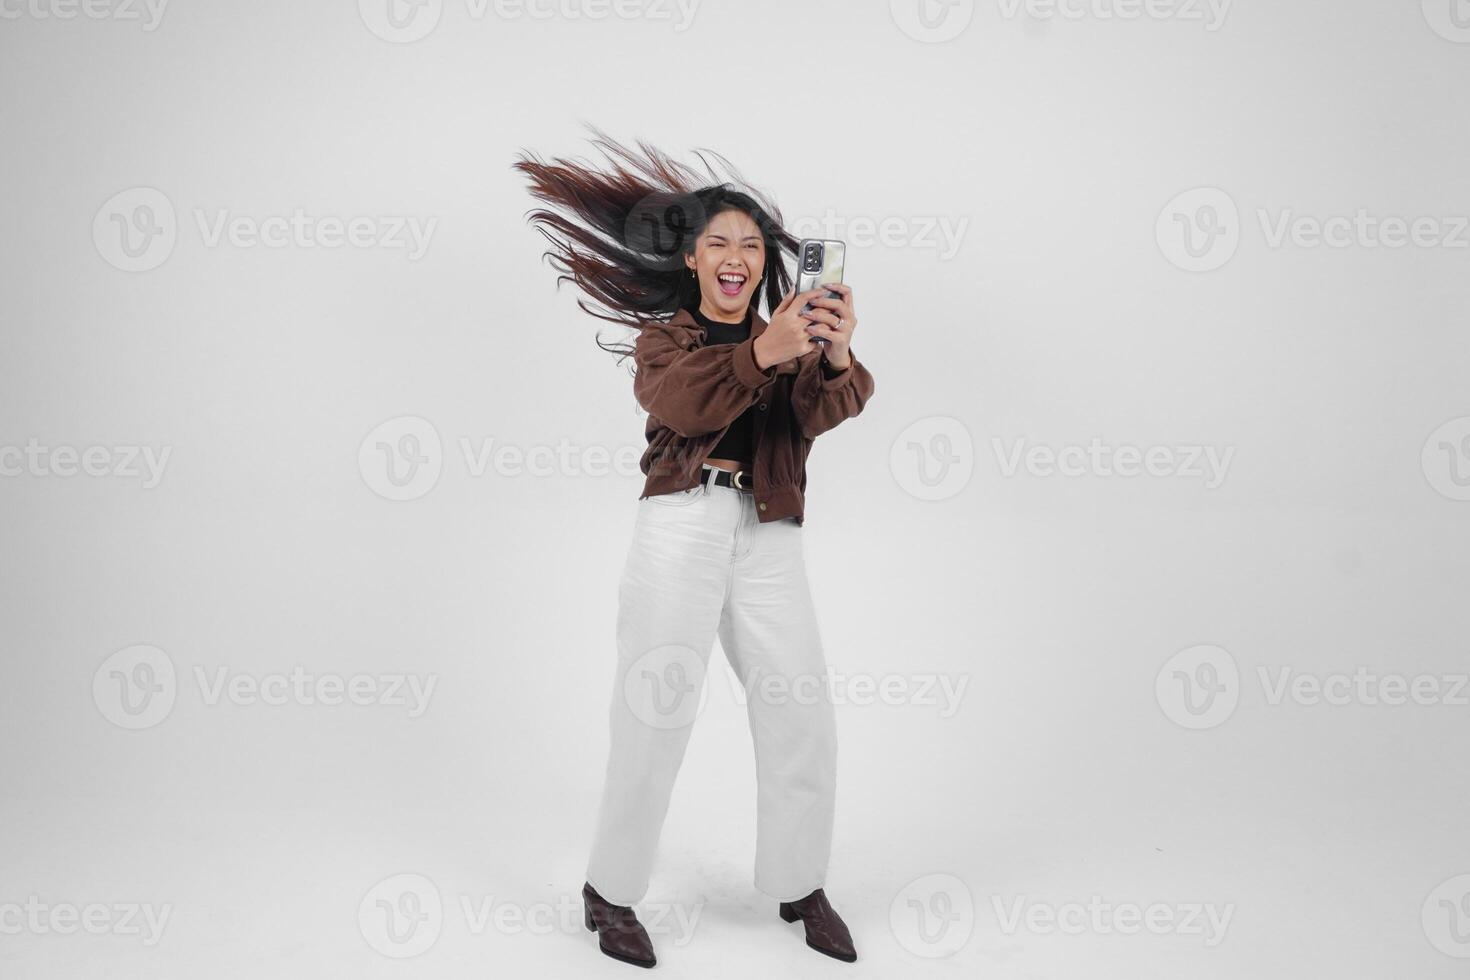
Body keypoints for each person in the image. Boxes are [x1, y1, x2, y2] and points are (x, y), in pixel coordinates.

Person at [516, 130, 874, 968]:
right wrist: (760, 353)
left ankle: (800, 883)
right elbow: (682, 403)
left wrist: (837, 352)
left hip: (770, 528)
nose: (737, 255)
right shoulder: (665, 341)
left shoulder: (792, 337)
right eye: (719, 241)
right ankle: (609, 893)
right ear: (693, 260)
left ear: (765, 264)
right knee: (655, 710)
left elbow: (830, 408)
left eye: (751, 245)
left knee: (801, 711)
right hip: (682, 523)